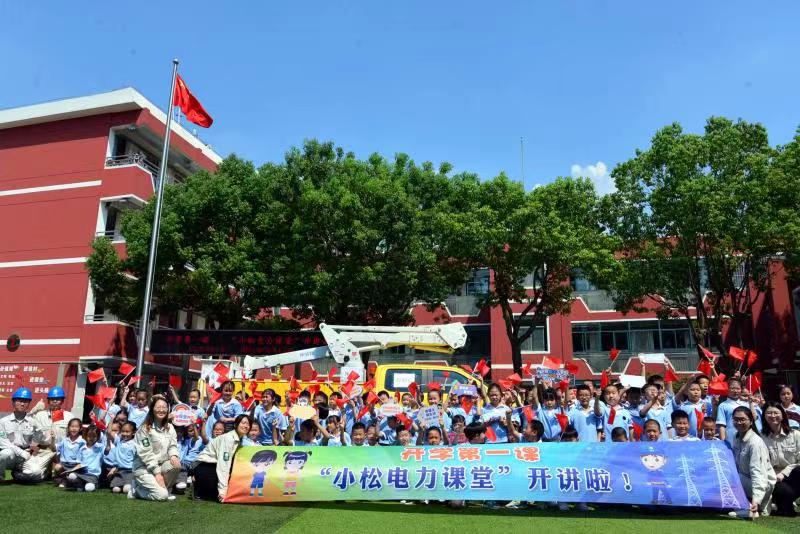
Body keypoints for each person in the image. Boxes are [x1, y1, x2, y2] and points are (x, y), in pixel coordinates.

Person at [193, 414, 253, 502]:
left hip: (214, 465)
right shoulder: (229, 439)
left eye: (248, 424)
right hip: (204, 465)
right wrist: (222, 491)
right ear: (235, 425)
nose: (246, 426)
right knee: (217, 494)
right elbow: (223, 466)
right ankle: (198, 485)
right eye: (243, 423)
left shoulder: (241, 439)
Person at [131, 396, 180, 501]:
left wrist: (173, 455)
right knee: (161, 496)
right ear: (152, 409)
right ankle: (136, 490)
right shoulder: (144, 429)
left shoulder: (170, 427)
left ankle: (166, 490)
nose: (161, 410)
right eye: (158, 407)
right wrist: (157, 473)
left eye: (164, 407)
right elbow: (146, 454)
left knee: (176, 465)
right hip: (144, 468)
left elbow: (173, 445)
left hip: (161, 465)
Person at [731, 406, 776, 518]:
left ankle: (752, 507)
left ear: (751, 421)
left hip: (761, 483)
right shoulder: (736, 437)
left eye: (742, 419)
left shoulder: (755, 443)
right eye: (736, 419)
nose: (739, 422)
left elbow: (758, 473)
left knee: (732, 480)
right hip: (746, 480)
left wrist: (757, 500)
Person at [26, 386, 75, 482]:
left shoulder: (69, 416)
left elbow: (73, 435)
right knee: (34, 474)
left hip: (61, 451)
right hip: (44, 450)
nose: (55, 401)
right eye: (52, 399)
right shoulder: (40, 415)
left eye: (58, 399)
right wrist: (33, 411)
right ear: (48, 401)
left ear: (62, 401)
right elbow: (27, 424)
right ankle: (46, 472)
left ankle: (57, 472)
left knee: (64, 473)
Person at [760, 402, 800, 516]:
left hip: (793, 475)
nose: (773, 416)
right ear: (764, 416)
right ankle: (783, 504)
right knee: (785, 500)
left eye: (776, 413)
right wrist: (775, 476)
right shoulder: (760, 437)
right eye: (769, 413)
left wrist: (784, 472)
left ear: (782, 415)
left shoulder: (795, 435)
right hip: (774, 479)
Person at [0, 387, 47, 482]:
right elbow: (3, 442)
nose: (22, 404)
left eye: (25, 401)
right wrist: (20, 452)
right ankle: (0, 475)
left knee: (37, 473)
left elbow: (40, 434)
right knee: (5, 453)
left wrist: (33, 445)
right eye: (20, 401)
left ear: (29, 404)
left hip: (25, 455)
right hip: (11, 454)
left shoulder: (33, 421)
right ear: (13, 402)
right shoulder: (3, 421)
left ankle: (16, 474)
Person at [63, 425, 104, 492]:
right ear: (85, 436)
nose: (91, 438)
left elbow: (107, 449)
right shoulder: (82, 449)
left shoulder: (100, 447)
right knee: (71, 475)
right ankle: (80, 483)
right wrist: (71, 470)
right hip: (83, 473)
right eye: (89, 436)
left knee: (88, 488)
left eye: (94, 436)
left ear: (98, 437)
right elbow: (79, 464)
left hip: (93, 474)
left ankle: (92, 484)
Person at [106, 421, 137, 494]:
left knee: (126, 489)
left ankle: (134, 485)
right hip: (119, 471)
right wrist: (112, 419)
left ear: (133, 432)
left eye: (127, 432)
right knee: (115, 490)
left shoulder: (135, 443)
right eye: (123, 431)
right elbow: (109, 432)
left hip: (130, 471)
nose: (124, 434)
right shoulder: (119, 440)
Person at [717, 378, 748, 446]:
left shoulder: (746, 404)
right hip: (730, 439)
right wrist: (723, 443)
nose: (735, 391)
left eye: (738, 388)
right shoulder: (723, 405)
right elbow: (722, 426)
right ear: (727, 389)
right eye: (732, 388)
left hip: (746, 438)